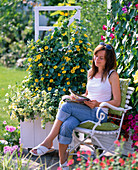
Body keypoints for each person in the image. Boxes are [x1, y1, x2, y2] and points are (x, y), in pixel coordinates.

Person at [30, 42, 121, 169]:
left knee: (66, 107)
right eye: (96, 56)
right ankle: (63, 164)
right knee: (67, 125)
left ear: (108, 60)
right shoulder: (91, 73)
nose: (97, 59)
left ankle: (48, 142)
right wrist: (77, 98)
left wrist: (97, 103)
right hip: (85, 110)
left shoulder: (112, 75)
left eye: (101, 58)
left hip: (99, 113)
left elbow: (117, 101)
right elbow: (88, 94)